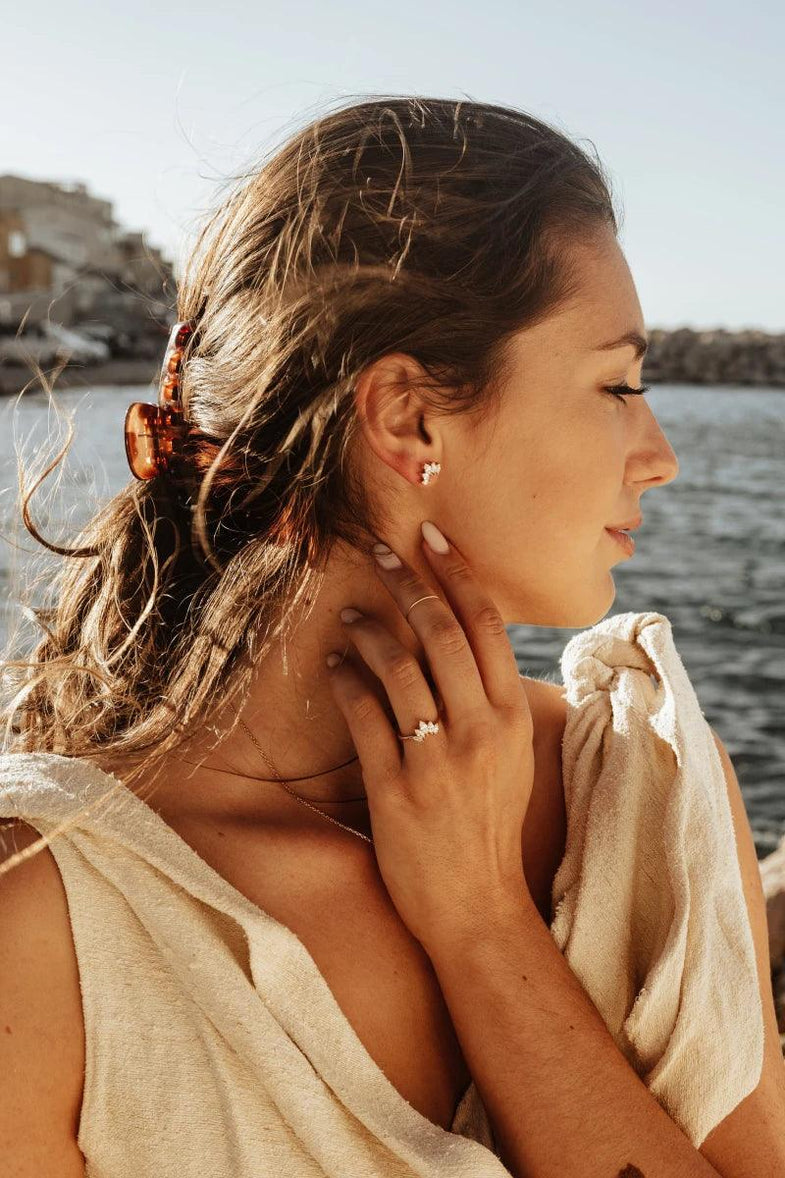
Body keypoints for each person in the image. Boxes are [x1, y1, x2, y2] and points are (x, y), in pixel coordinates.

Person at [0, 95, 688, 1175]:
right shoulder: (44, 915)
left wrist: (482, 923)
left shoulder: (638, 784)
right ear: (408, 417)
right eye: (617, 384)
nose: (659, 456)